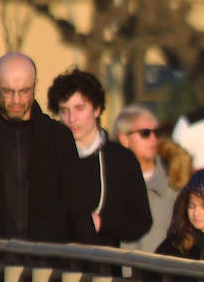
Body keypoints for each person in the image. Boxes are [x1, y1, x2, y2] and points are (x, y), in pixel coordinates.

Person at [0, 53, 94, 242]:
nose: (16, 100)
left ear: (35, 86)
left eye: (24, 91)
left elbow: (77, 207)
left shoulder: (58, 138)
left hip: (46, 262)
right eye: (8, 91)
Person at [47, 70, 153, 248]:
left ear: (96, 109)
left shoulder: (121, 160)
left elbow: (141, 221)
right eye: (64, 111)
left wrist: (103, 223)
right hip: (58, 267)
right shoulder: (49, 156)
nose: (72, 119)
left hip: (104, 268)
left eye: (80, 108)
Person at [114, 105, 179, 253]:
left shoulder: (174, 183)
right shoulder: (109, 180)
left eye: (157, 132)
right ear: (124, 138)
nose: (153, 139)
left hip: (162, 270)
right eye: (145, 133)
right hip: (120, 271)